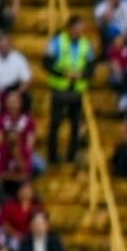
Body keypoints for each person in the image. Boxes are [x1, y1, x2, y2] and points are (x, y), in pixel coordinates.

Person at [45, 16, 95, 166]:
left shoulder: (87, 45)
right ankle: (53, 156)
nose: (80, 31)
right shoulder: (57, 42)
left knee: (75, 125)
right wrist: (64, 73)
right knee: (55, 124)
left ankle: (71, 156)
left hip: (77, 91)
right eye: (77, 28)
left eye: (82, 28)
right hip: (60, 89)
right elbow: (46, 63)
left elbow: (91, 67)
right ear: (70, 28)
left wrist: (82, 75)